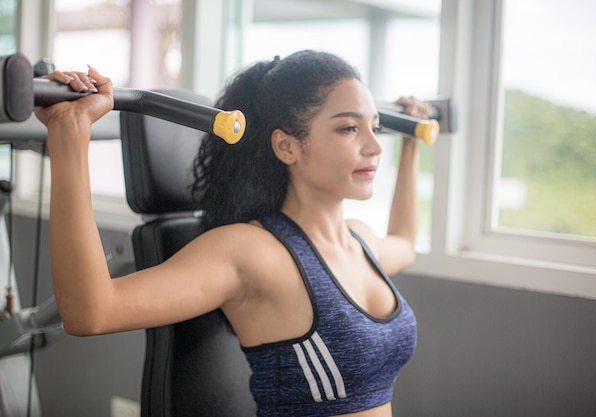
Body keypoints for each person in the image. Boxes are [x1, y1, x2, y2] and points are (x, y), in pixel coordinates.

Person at [35, 50, 428, 417]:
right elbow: (91, 313)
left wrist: (411, 148)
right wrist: (70, 136)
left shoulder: (359, 240)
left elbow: (406, 244)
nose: (375, 146)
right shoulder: (252, 252)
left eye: (374, 127)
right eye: (348, 128)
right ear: (287, 146)